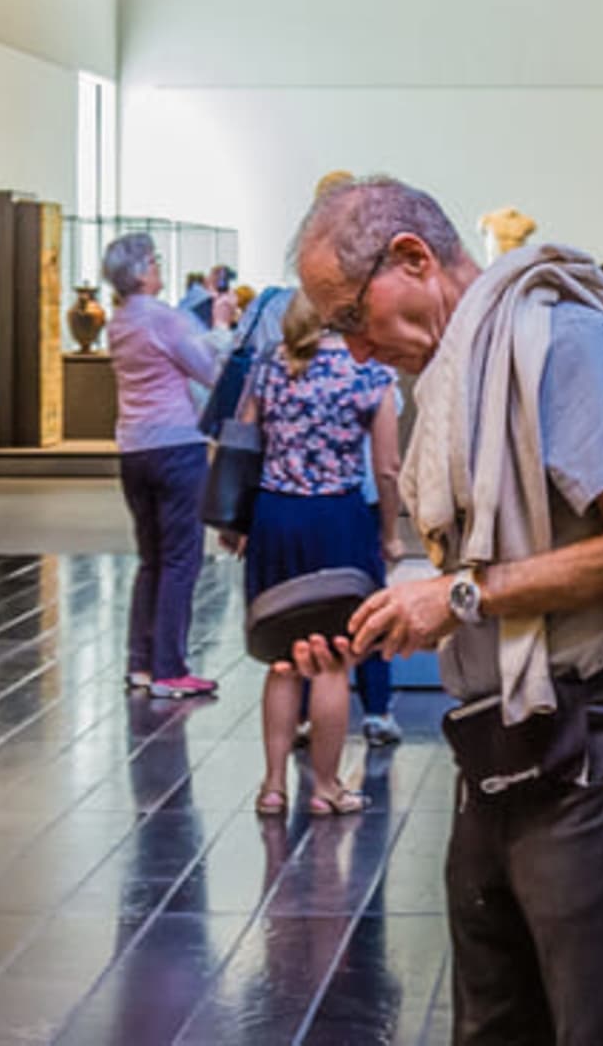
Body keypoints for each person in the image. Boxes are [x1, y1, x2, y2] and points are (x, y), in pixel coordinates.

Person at [268, 174, 603, 1043]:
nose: (351, 349)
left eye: (350, 316)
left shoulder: (563, 341)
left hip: (597, 750)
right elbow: (479, 573)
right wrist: (381, 622)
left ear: (412, 261)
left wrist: (458, 595)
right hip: (499, 749)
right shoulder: (453, 375)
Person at [230, 298, 403, 816]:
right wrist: (390, 534)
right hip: (338, 519)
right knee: (332, 660)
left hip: (274, 518)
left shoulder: (267, 367)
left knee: (283, 659)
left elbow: (243, 440)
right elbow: (388, 467)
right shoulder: (368, 371)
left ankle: (273, 785)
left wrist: (238, 520)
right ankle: (326, 788)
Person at [102, 233, 223, 699]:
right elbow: (207, 368)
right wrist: (220, 328)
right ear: (138, 272)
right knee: (181, 558)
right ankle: (171, 667)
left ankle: (142, 662)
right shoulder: (163, 319)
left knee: (151, 558)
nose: (159, 267)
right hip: (176, 444)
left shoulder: (119, 322)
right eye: (153, 260)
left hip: (133, 446)